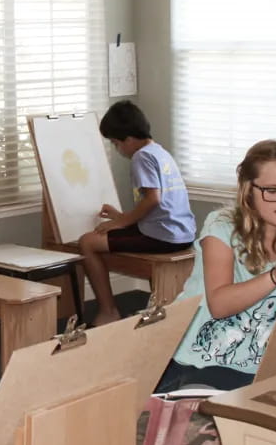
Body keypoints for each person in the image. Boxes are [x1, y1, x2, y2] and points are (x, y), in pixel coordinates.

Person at [155, 139, 276, 393]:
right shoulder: (221, 226)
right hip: (201, 361)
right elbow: (219, 304)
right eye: (272, 190)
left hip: (262, 362)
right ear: (249, 189)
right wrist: (275, 275)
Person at [79, 101, 196, 325]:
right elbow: (159, 205)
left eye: (115, 143)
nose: (117, 149)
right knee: (103, 237)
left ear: (129, 140)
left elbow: (153, 199)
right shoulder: (159, 152)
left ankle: (108, 311)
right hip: (182, 231)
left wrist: (122, 222)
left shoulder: (140, 157)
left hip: (162, 236)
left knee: (87, 243)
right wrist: (119, 217)